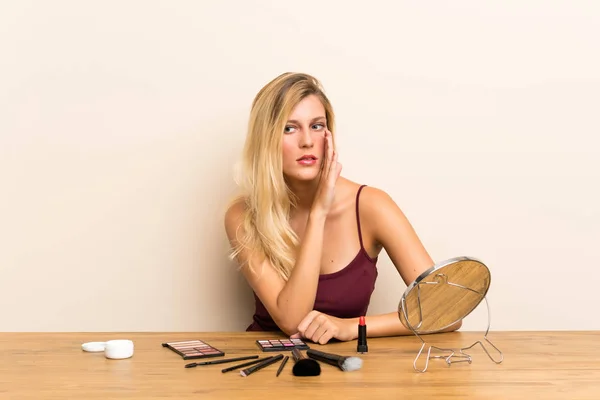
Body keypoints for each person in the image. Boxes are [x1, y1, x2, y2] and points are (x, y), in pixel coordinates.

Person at [224, 72, 461, 344]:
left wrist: (352, 327)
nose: (307, 141)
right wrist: (318, 214)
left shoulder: (371, 205)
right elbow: (292, 322)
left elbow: (448, 313)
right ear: (265, 140)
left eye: (316, 126)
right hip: (263, 368)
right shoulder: (243, 216)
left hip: (350, 373)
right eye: (289, 128)